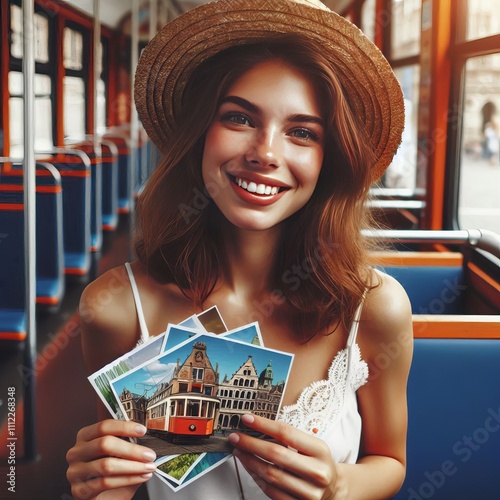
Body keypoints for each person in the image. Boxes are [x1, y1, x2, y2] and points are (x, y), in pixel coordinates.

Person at [66, 1, 413, 499]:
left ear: (328, 159)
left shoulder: (376, 307)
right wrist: (99, 485)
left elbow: (392, 462)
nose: (266, 153)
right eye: (239, 118)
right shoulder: (114, 307)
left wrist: (339, 484)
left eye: (301, 132)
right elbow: (124, 474)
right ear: (199, 136)